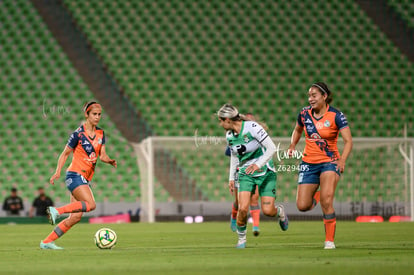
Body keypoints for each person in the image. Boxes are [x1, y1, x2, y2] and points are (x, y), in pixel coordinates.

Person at [40, 101, 117, 250]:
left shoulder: (101, 133)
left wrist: (109, 160)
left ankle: (47, 242)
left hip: (84, 179)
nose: (97, 117)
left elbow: (102, 155)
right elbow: (65, 154)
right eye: (94, 114)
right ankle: (56, 211)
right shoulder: (78, 134)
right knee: (91, 205)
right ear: (86, 115)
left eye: (99, 114)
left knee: (75, 217)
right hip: (74, 175)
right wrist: (57, 171)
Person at [288, 82, 353, 249]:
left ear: (324, 96)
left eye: (314, 95)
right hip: (309, 163)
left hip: (329, 163)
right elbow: (297, 129)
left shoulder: (336, 115)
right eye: (309, 95)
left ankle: (329, 241)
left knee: (327, 201)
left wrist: (342, 160)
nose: (310, 99)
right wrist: (292, 145)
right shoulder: (304, 113)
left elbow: (348, 141)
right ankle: (319, 195)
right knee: (302, 206)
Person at [217, 103, 288, 249]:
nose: (220, 124)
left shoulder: (252, 128)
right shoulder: (229, 136)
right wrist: (231, 178)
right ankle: (241, 239)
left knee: (268, 211)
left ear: (228, 120)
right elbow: (234, 157)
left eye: (221, 120)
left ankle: (279, 211)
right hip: (245, 173)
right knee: (243, 208)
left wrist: (258, 164)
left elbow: (272, 148)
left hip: (266, 172)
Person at [226, 113, 261, 236]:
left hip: (256, 170)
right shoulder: (234, 136)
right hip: (240, 170)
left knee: (255, 198)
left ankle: (256, 226)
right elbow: (231, 153)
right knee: (238, 201)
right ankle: (234, 216)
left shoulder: (258, 135)